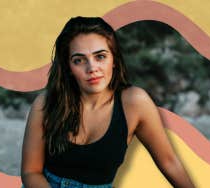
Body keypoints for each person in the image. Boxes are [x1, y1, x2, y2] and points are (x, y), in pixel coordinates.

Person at [21, 16, 195, 188]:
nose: (92, 68)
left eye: (100, 57)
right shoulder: (45, 104)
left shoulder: (135, 103)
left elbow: (169, 162)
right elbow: (31, 172)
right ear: (68, 68)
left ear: (114, 60)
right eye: (79, 60)